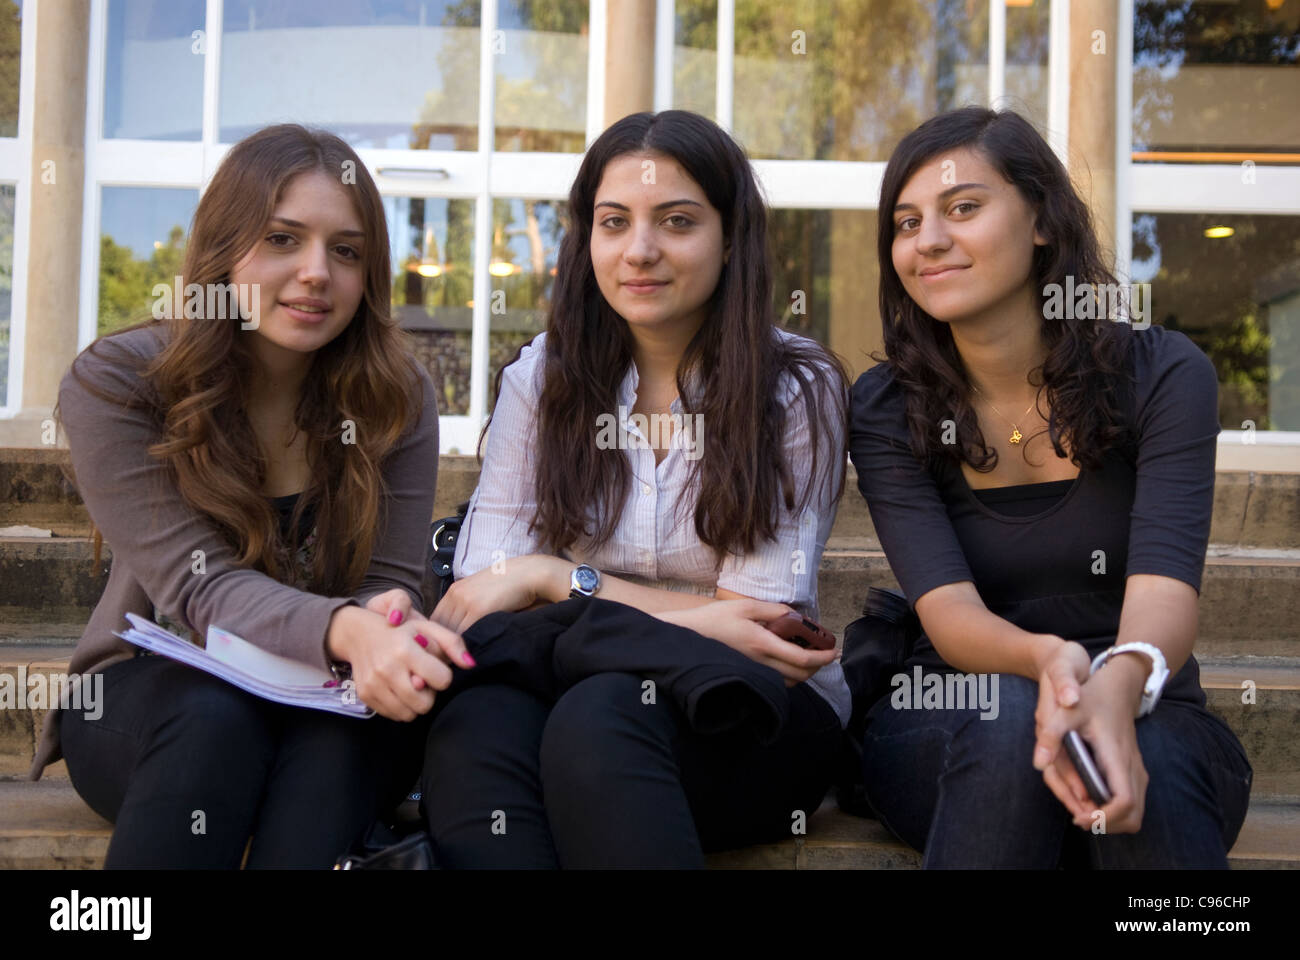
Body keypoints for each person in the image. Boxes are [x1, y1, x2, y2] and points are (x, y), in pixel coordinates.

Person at [420, 109, 852, 868]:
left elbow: (759, 628)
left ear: (730, 237)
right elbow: (484, 588)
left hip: (756, 717)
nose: (640, 251)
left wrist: (557, 577)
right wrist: (700, 618)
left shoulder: (794, 388)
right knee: (479, 724)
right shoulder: (542, 379)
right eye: (613, 222)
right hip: (566, 703)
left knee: (603, 713)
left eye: (677, 221)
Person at [36, 124, 470, 868]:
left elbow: (389, 588)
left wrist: (382, 629)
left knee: (341, 742)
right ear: (222, 249)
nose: (315, 273)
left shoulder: (396, 396)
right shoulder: (120, 383)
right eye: (281, 239)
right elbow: (199, 589)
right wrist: (349, 629)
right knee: (216, 719)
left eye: (346, 251)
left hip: (331, 701)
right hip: (148, 704)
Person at [849, 106, 1253, 868]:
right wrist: (1050, 665)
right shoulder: (885, 406)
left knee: (1145, 762)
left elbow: (1164, 595)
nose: (928, 239)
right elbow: (950, 615)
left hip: (1149, 700)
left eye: (963, 208)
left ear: (1041, 219)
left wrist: (1114, 685)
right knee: (1008, 722)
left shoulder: (1164, 375)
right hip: (957, 708)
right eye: (905, 223)